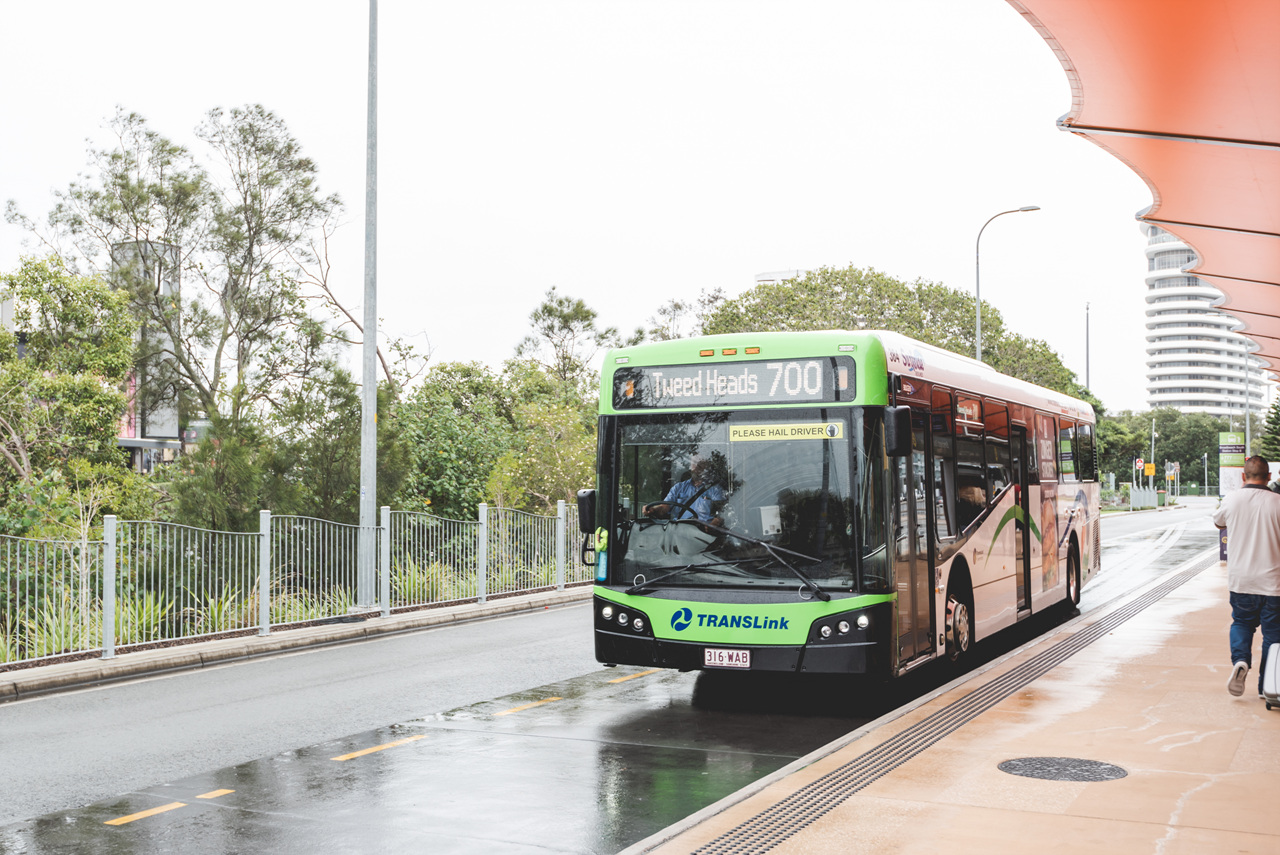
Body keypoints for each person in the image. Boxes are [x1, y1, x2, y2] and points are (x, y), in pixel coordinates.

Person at [1211, 455, 1280, 698]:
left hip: (1241, 581)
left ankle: (1240, 660)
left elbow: (1219, 523)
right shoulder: (1278, 502)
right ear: (1269, 476)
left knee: (1241, 623)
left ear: (1243, 475)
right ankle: (1266, 686)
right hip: (1273, 583)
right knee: (1273, 635)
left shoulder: (1232, 499)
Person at [643, 457, 725, 527]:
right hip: (680, 531)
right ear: (690, 466)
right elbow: (664, 508)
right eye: (694, 463)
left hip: (703, 533)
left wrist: (713, 525)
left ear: (706, 466)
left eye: (700, 463)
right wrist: (652, 509)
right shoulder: (678, 488)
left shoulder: (715, 489)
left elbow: (721, 515)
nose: (696, 466)